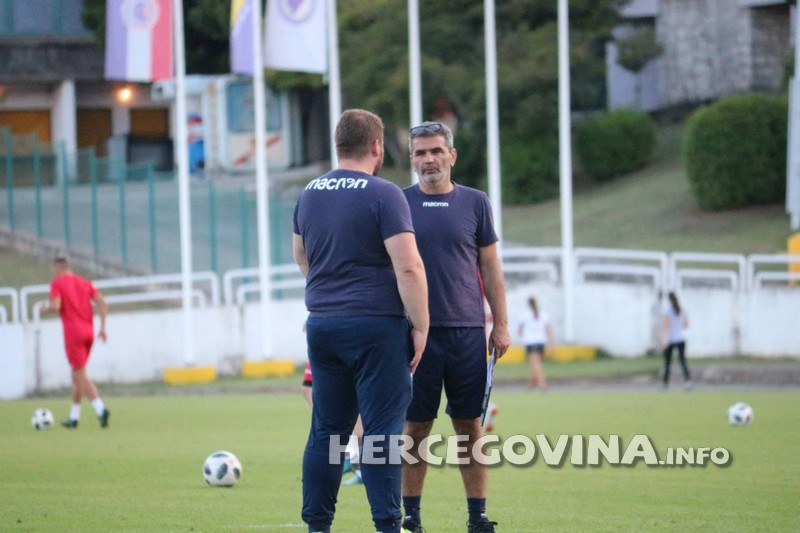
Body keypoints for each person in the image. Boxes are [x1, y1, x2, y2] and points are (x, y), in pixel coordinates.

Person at [293, 109, 429, 533]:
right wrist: (421, 325)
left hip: (324, 324)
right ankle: (388, 525)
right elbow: (408, 267)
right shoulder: (384, 194)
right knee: (382, 432)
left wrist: (331, 292)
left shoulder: (310, 193)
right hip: (376, 326)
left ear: (339, 145)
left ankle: (318, 526)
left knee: (327, 431)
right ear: (376, 146)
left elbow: (302, 257)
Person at [401, 121, 510, 533]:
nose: (429, 159)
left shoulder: (476, 203)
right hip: (415, 335)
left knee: (470, 426)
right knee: (415, 428)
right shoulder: (397, 202)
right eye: (420, 153)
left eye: (435, 151)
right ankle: (410, 517)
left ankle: (477, 517)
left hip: (467, 333)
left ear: (452, 155)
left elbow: (490, 265)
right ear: (412, 160)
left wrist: (500, 323)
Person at [41, 255, 110, 428]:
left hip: (73, 334)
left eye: (53, 270)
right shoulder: (84, 282)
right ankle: (74, 417)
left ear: (58, 268)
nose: (53, 274)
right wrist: (103, 327)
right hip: (89, 332)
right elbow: (102, 302)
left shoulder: (57, 284)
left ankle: (101, 409)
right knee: (76, 375)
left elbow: (56, 306)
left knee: (80, 376)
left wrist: (45, 309)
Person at [517, 296, 554, 389]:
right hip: (541, 342)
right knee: (536, 364)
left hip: (531, 342)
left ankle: (543, 384)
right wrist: (552, 343)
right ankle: (531, 385)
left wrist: (522, 336)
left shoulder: (525, 314)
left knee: (536, 365)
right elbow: (548, 329)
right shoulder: (543, 314)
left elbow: (519, 330)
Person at [662, 291, 692, 389]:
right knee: (682, 362)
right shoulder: (682, 309)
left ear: (669, 300)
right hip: (681, 338)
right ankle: (687, 382)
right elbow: (686, 324)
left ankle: (665, 384)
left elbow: (666, 326)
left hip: (670, 339)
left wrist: (664, 339)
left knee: (667, 363)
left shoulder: (667, 310)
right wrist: (678, 327)